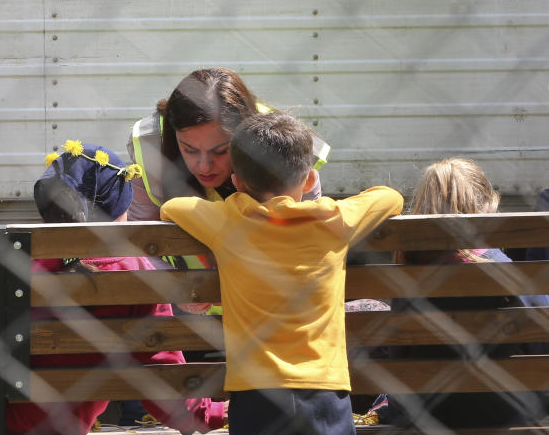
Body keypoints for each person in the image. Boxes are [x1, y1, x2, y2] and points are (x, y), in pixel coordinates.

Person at [0, 141, 226, 435]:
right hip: (64, 424)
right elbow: (159, 368)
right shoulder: (138, 276)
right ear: (120, 206)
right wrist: (210, 415)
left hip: (2, 416)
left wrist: (29, 258)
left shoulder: (21, 264)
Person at [161, 112, 403, 435]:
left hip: (255, 393)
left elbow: (172, 207)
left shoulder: (228, 222)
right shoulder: (335, 220)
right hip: (324, 390)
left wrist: (237, 201)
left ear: (238, 181)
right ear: (308, 180)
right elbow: (391, 197)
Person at [359, 158, 549, 428]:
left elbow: (400, 356)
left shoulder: (409, 270)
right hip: (507, 412)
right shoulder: (503, 268)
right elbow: (541, 342)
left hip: (427, 413)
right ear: (486, 208)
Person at [127, 68, 329, 223]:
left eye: (221, 151)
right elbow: (142, 243)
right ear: (173, 134)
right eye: (189, 149)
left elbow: (308, 230)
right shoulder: (151, 146)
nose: (204, 166)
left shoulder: (281, 141)